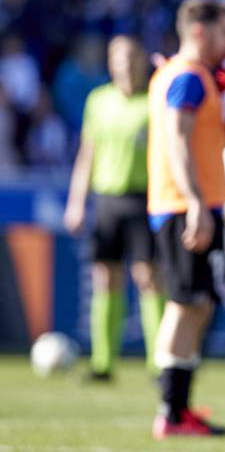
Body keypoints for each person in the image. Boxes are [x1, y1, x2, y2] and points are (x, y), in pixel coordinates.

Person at [146, 0, 225, 438]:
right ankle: (170, 410)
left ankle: (178, 406)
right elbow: (177, 141)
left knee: (196, 304)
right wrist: (197, 201)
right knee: (186, 306)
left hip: (186, 202)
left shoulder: (179, 74)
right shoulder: (186, 77)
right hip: (187, 205)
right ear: (199, 32)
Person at [64, 35, 164, 381]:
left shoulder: (154, 100)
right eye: (120, 58)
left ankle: (160, 362)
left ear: (142, 60)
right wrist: (77, 201)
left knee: (148, 278)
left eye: (133, 57)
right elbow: (87, 153)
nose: (127, 64)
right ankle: (103, 363)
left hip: (145, 198)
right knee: (105, 278)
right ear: (110, 63)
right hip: (108, 199)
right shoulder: (99, 100)